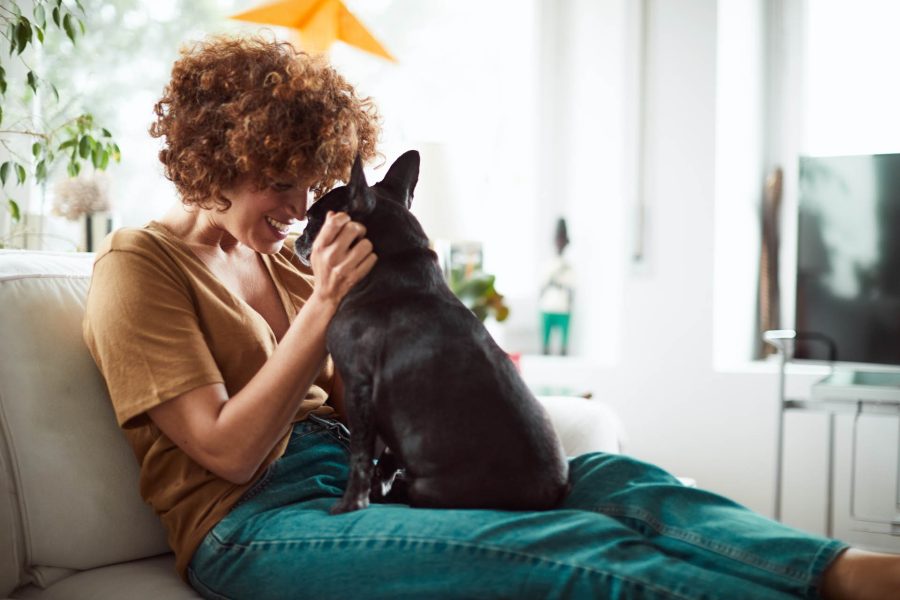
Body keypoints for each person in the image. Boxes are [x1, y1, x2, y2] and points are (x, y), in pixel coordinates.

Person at [82, 34, 900, 600]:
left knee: (610, 480)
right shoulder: (138, 268)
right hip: (254, 526)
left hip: (366, 482)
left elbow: (364, 386)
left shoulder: (279, 260)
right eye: (280, 183)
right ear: (219, 158)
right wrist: (327, 301)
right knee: (557, 552)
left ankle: (847, 571)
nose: (301, 208)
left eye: (311, 184)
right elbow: (224, 453)